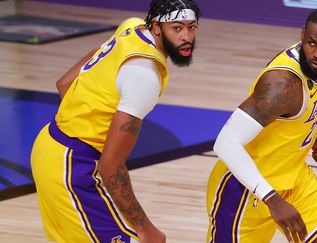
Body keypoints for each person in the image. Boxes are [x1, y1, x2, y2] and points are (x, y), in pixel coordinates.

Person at [30, 1, 200, 242]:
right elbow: (111, 166)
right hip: (73, 167)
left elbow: (65, 83)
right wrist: (145, 228)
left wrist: (84, 121)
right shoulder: (144, 75)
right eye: (177, 28)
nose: (186, 37)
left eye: (191, 27)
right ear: (157, 27)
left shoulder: (132, 27)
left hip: (49, 147)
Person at [207, 7, 317, 243]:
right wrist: (272, 199)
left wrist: (316, 135)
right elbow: (225, 143)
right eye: (311, 43)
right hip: (247, 190)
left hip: (294, 179)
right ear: (302, 34)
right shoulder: (282, 85)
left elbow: (292, 114)